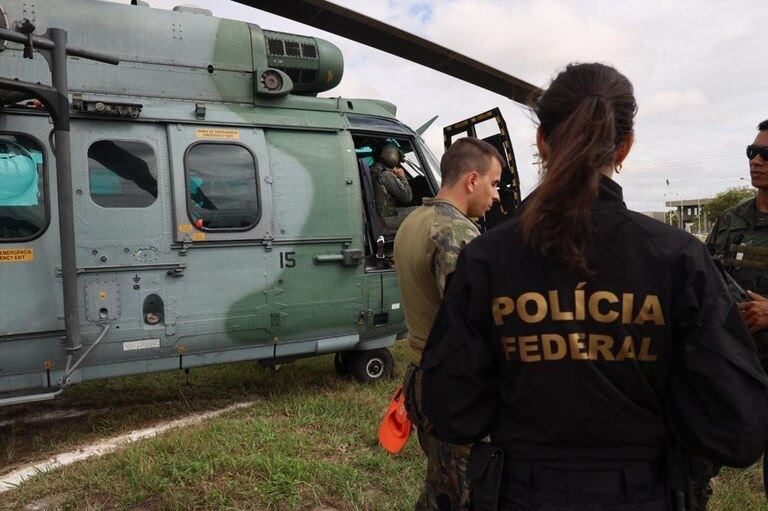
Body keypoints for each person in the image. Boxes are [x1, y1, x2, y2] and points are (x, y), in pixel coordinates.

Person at [419, 63, 768, 511]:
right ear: (625, 146)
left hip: (523, 493)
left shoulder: (487, 257)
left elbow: (450, 411)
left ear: (542, 140)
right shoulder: (678, 258)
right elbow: (736, 427)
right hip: (646, 493)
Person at [394, 136, 503, 510]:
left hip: (422, 375)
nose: (497, 196)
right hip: (454, 384)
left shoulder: (415, 220)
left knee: (441, 482)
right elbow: (475, 320)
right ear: (472, 180)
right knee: (464, 492)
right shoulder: (455, 232)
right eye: (494, 183)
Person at [704, 119, 768, 501]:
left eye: (766, 154)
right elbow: (706, 279)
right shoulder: (731, 220)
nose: (756, 161)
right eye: (752, 152)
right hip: (736, 368)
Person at [370, 142, 414, 224]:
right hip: (385, 219)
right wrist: (402, 177)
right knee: (425, 212)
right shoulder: (385, 174)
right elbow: (407, 197)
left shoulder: (373, 170)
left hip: (378, 215)